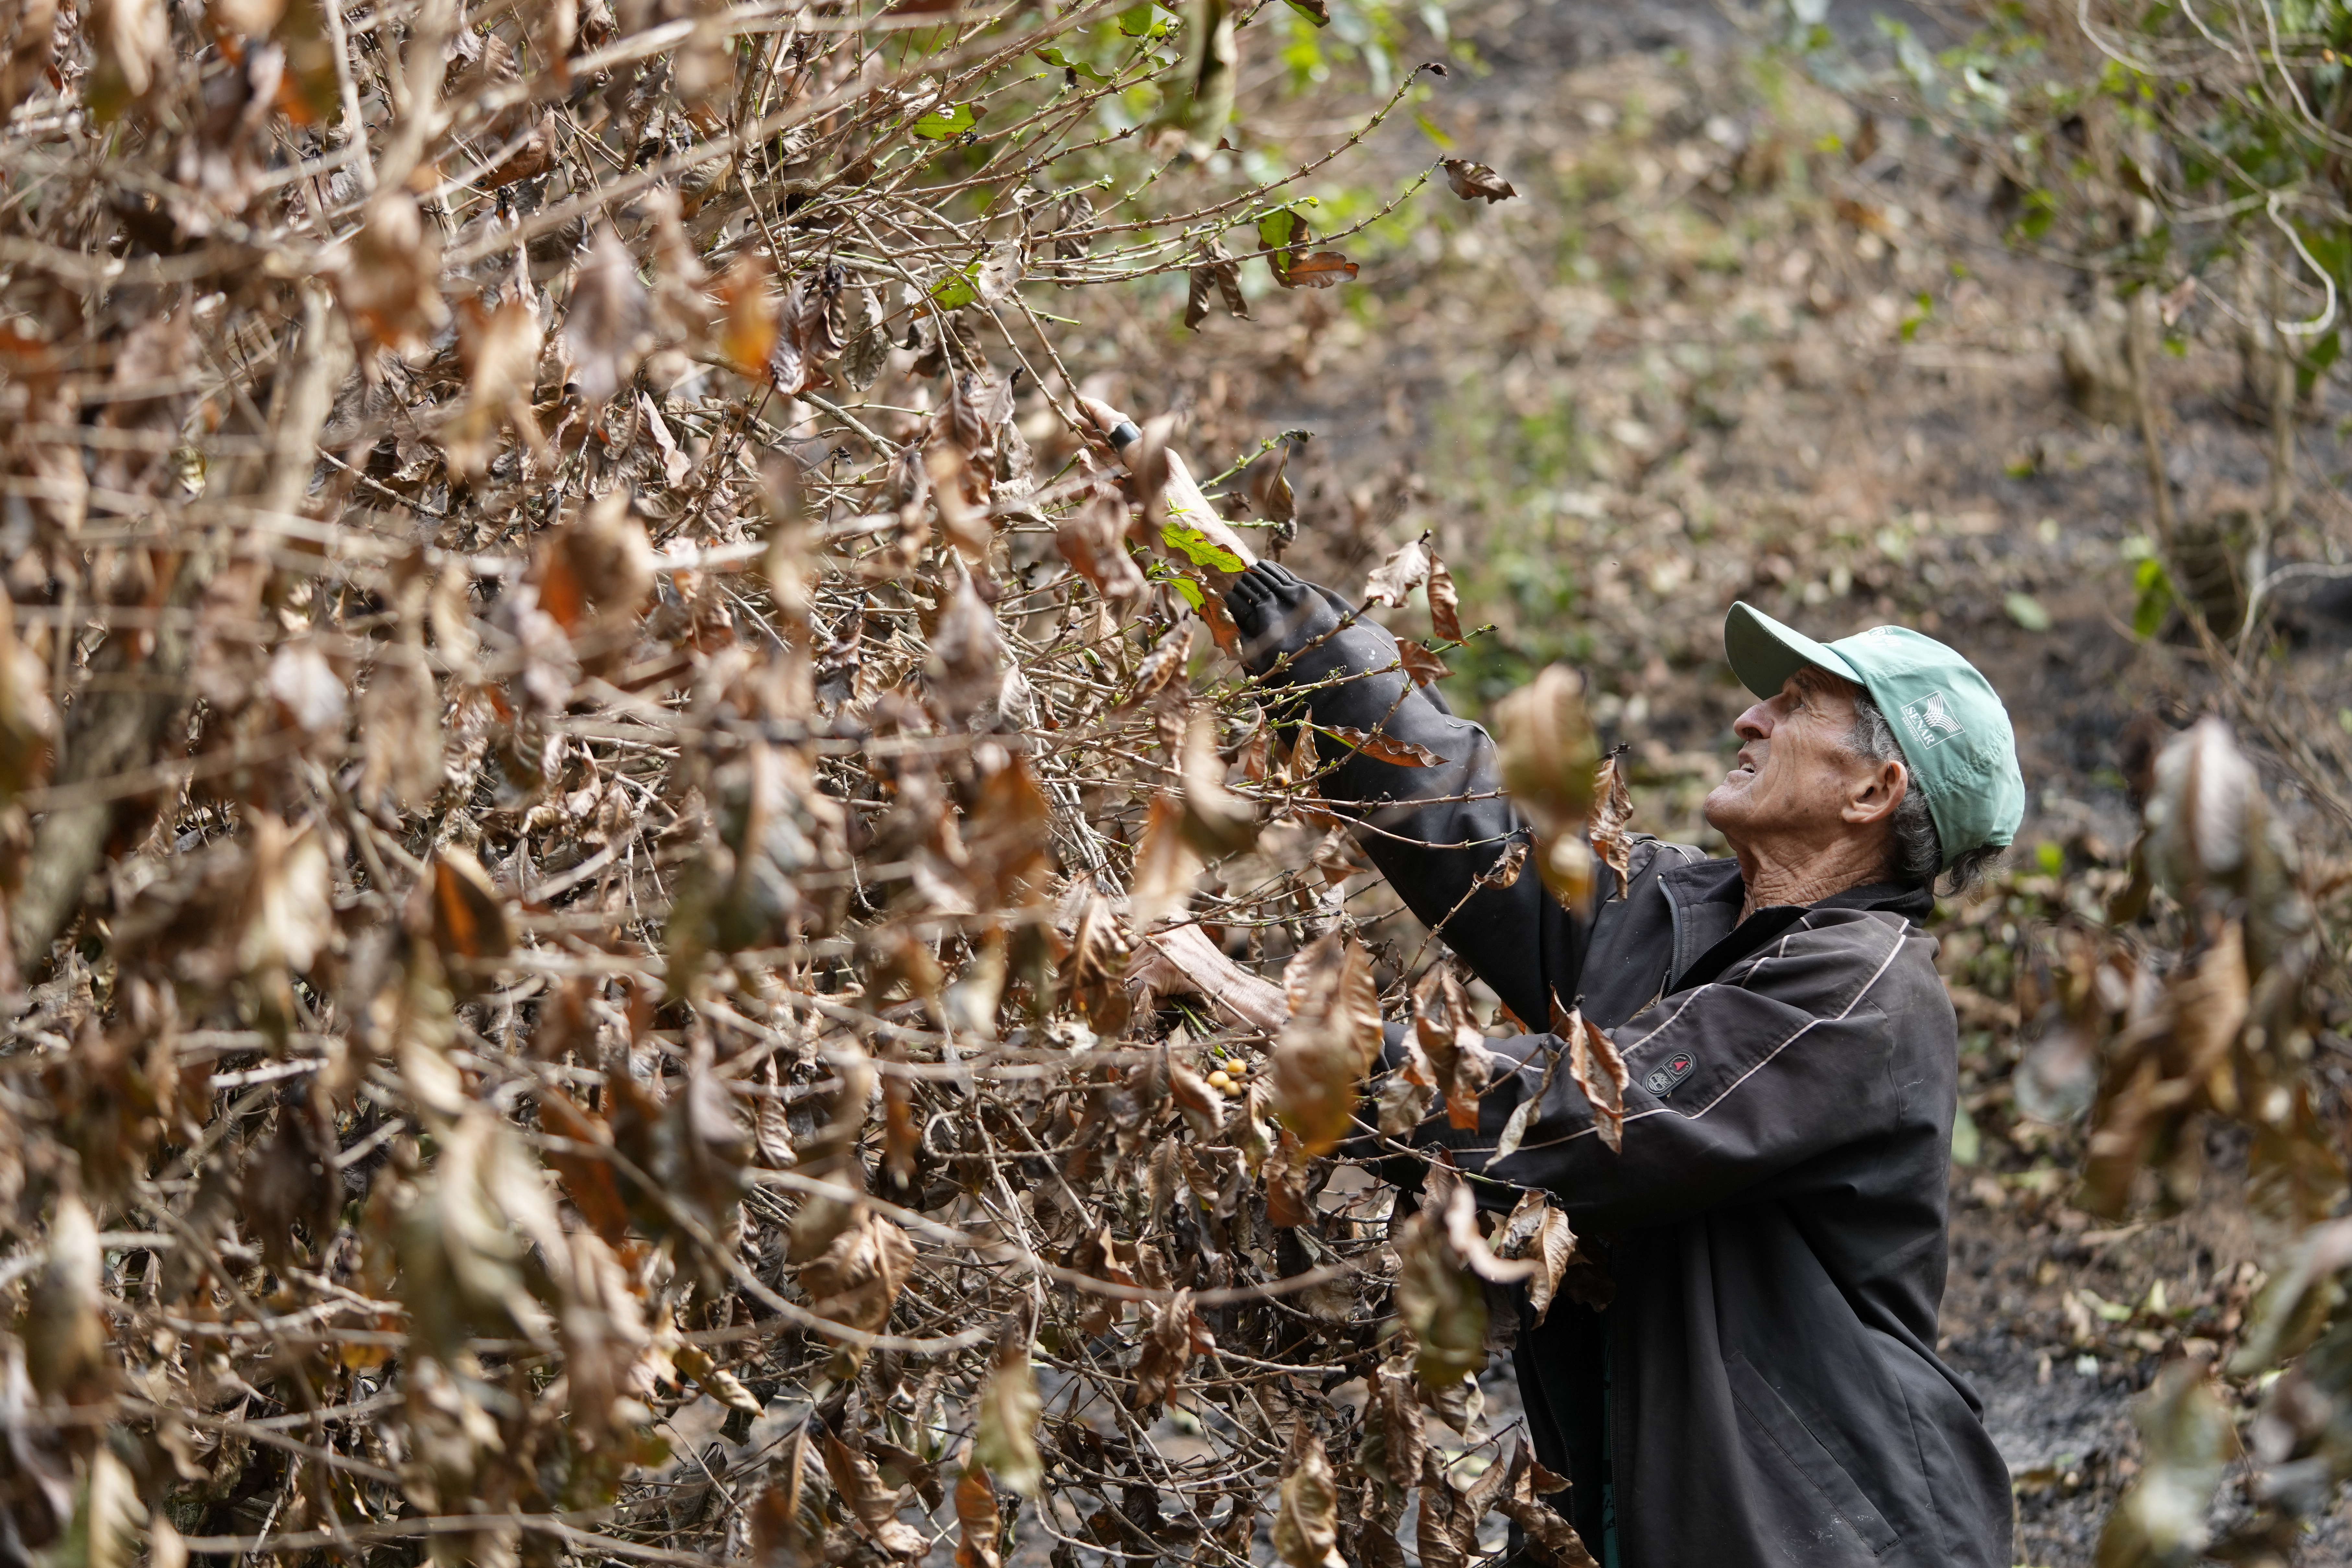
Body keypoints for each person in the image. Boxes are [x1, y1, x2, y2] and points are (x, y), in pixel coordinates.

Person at [1222, 562, 2024, 1568]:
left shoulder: (1864, 994)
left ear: (1873, 790)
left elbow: (1575, 1123)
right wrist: (1272, 608)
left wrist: (1278, 1027)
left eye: (1793, 706)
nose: (1747, 718)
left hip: (1824, 1539)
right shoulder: (1684, 911)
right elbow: (1469, 821)